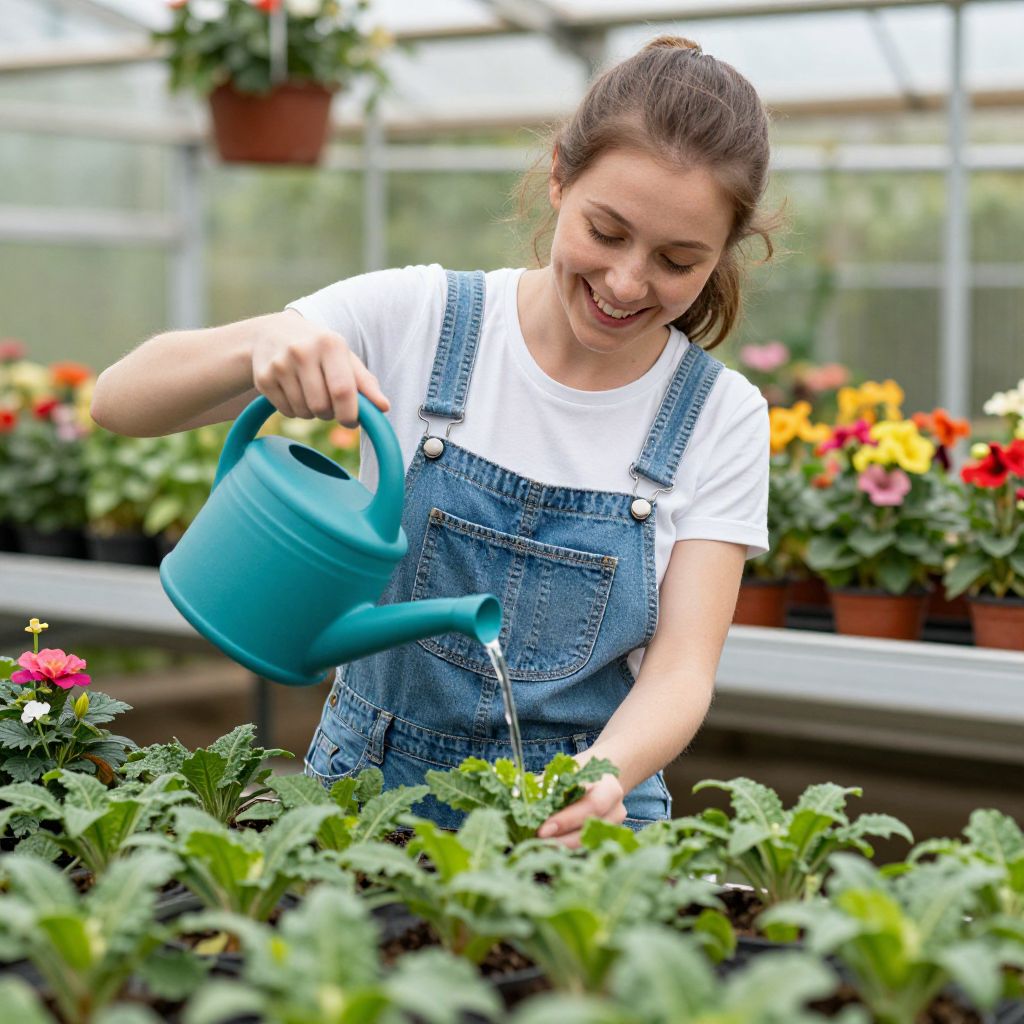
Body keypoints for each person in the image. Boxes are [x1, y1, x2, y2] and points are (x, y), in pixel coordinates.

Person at [91, 36, 774, 847]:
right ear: (559, 175)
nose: (627, 282)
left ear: (723, 254)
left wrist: (603, 776)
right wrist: (261, 343)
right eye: (607, 231)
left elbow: (683, 671)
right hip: (367, 791)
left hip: (585, 812)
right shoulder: (421, 317)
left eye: (676, 260)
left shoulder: (720, 415)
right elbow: (117, 401)